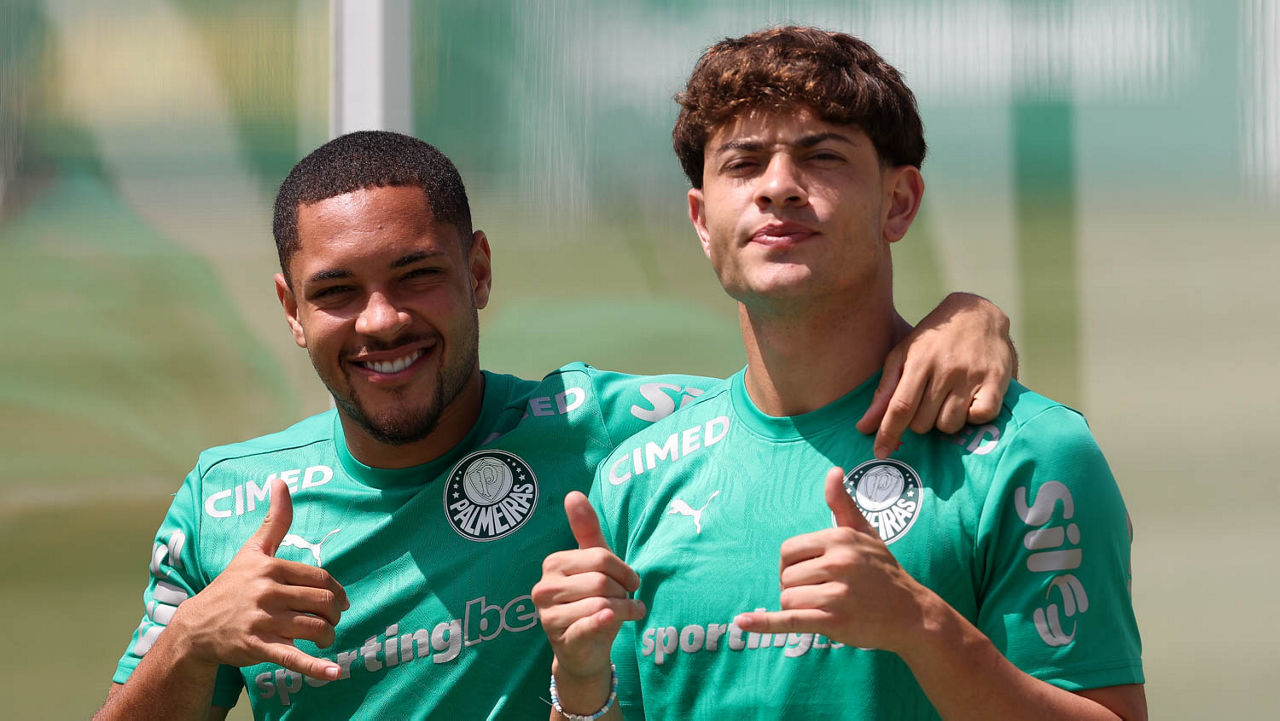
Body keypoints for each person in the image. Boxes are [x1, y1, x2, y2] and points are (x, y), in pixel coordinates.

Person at [95, 131, 1015, 719]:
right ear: (291, 310)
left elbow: (791, 406)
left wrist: (963, 318)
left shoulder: (614, 432)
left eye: (417, 276)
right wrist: (192, 640)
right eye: (337, 292)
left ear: (478, 272)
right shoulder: (227, 503)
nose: (382, 320)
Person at [534, 27, 1145, 721]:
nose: (778, 187)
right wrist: (579, 686)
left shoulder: (1032, 452)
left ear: (899, 202)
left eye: (821, 156)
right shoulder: (634, 478)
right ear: (702, 220)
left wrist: (922, 626)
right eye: (743, 163)